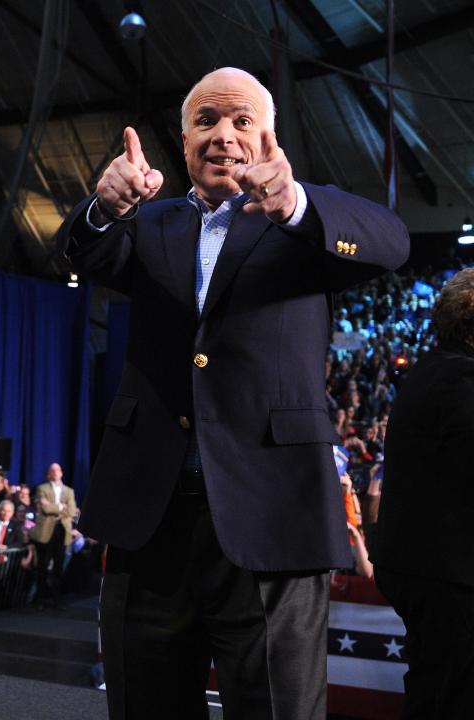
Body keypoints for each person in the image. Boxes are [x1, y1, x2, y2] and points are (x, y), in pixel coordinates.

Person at [57, 67, 409, 718]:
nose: (224, 135)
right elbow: (81, 252)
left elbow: (390, 239)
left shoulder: (304, 223)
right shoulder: (150, 223)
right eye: (207, 121)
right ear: (184, 139)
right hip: (150, 521)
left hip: (274, 525)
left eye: (242, 120)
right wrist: (104, 208)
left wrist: (297, 203)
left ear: (270, 135)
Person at [371, 268, 474, 719]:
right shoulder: (461, 381)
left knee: (434, 685)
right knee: (452, 697)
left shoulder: (432, 369)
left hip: (425, 567)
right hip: (450, 575)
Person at [30, 463, 76, 609]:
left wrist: (55, 507)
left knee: (58, 567)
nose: (55, 472)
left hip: (62, 531)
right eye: (52, 470)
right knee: (42, 566)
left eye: (58, 469)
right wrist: (62, 507)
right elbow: (44, 508)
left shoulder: (69, 491)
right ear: (48, 474)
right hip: (45, 532)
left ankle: (57, 600)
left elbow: (72, 511)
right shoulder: (42, 488)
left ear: (62, 473)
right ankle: (40, 600)